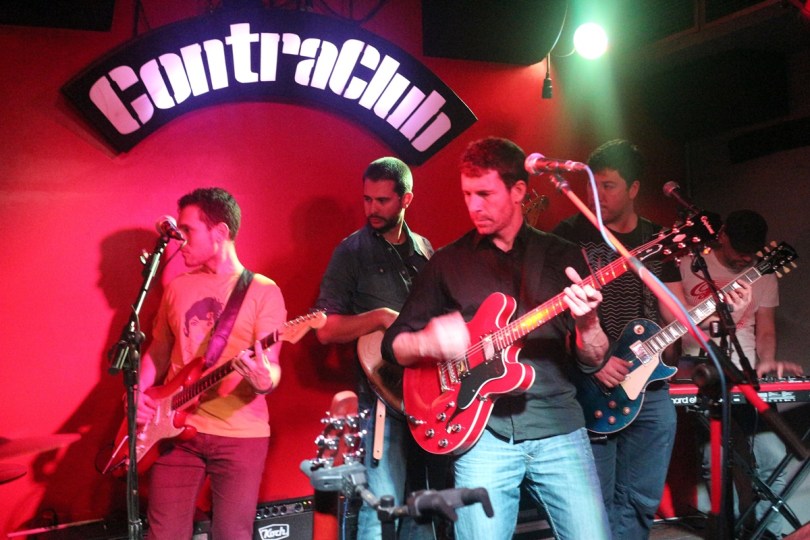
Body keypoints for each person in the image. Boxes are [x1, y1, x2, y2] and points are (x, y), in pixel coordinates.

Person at [381, 137, 611, 540]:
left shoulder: (564, 256)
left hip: (559, 427)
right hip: (482, 434)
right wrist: (426, 343)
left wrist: (588, 322)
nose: (474, 206)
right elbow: (392, 345)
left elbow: (593, 360)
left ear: (518, 190)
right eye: (468, 194)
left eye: (485, 194)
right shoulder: (448, 262)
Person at [136, 187, 286, 539]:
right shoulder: (177, 287)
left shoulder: (263, 291)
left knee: (232, 534)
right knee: (163, 534)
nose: (181, 240)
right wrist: (139, 396)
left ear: (219, 232)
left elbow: (272, 364)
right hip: (173, 428)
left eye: (188, 230)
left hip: (240, 435)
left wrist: (265, 379)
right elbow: (158, 350)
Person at [552, 139, 684, 539]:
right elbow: (553, 316)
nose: (599, 197)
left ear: (634, 188)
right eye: (593, 187)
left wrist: (716, 307)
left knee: (641, 500)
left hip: (650, 385)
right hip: (590, 384)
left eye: (608, 186)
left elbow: (673, 311)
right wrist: (594, 361)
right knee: (593, 506)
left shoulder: (657, 239)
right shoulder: (568, 236)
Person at [313, 157, 440, 540]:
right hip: (382, 402)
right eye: (367, 199)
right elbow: (325, 330)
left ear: (406, 199)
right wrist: (380, 317)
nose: (372, 209)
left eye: (382, 200)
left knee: (424, 510)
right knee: (380, 509)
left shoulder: (425, 250)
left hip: (430, 398)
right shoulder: (350, 252)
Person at [679, 209, 804, 537]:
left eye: (752, 252)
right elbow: (676, 323)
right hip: (704, 372)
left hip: (747, 373)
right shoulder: (689, 266)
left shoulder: (763, 274)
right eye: (739, 251)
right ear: (722, 236)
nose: (746, 259)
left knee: (774, 458)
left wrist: (766, 363)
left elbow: (766, 329)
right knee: (715, 462)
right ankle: (728, 531)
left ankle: (767, 533)